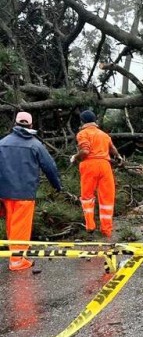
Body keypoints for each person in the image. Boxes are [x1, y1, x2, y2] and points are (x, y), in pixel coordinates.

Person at [0, 112, 63, 271]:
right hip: (24, 192)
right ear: (30, 125)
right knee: (21, 226)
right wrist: (57, 186)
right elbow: (50, 167)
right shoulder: (35, 144)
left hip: (5, 192)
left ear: (15, 124)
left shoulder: (2, 143)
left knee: (11, 224)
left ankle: (15, 254)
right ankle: (17, 260)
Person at [71, 110, 123, 238]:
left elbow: (85, 151)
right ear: (94, 121)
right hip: (105, 166)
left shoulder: (83, 133)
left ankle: (90, 226)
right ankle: (106, 230)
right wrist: (119, 157)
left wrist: (74, 158)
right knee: (107, 198)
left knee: (87, 196)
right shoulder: (104, 135)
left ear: (82, 121)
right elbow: (113, 148)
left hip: (89, 165)